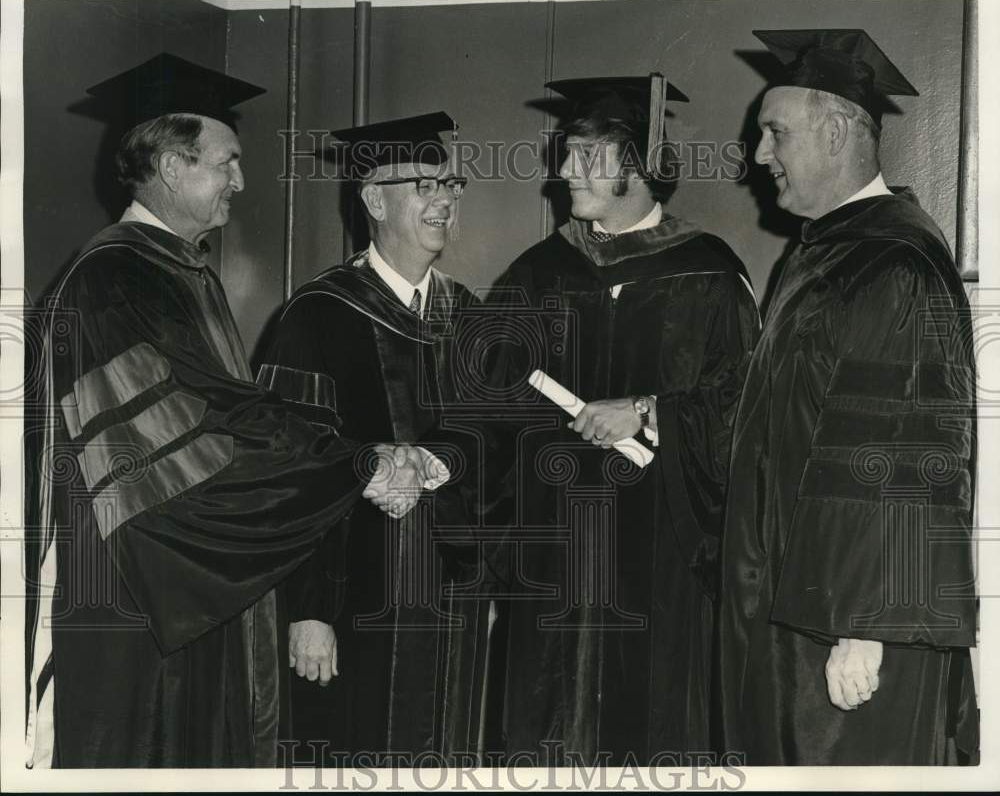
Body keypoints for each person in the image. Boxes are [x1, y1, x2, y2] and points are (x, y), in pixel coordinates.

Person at [23, 54, 422, 769]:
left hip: (183, 583)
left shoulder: (177, 267)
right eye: (227, 162)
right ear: (174, 167)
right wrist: (356, 463)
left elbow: (228, 414)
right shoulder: (112, 276)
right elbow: (207, 426)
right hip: (137, 588)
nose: (240, 180)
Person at [470, 74, 759, 765]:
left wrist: (648, 413)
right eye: (566, 152)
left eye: (585, 153)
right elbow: (485, 416)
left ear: (637, 165)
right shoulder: (535, 276)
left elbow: (748, 410)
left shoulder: (710, 277)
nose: (563, 168)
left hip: (663, 565)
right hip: (554, 567)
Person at [717, 29, 978, 765]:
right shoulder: (823, 251)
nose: (760, 156)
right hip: (799, 612)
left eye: (775, 133)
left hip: (847, 635)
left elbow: (908, 448)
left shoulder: (894, 263)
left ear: (835, 132)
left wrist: (865, 625)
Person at [257, 113, 491, 763]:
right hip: (352, 597)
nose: (443, 198)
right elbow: (283, 464)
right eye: (423, 184)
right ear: (374, 199)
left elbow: (497, 436)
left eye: (450, 182)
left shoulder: (468, 314)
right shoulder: (316, 314)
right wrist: (306, 610)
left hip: (452, 600)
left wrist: (442, 458)